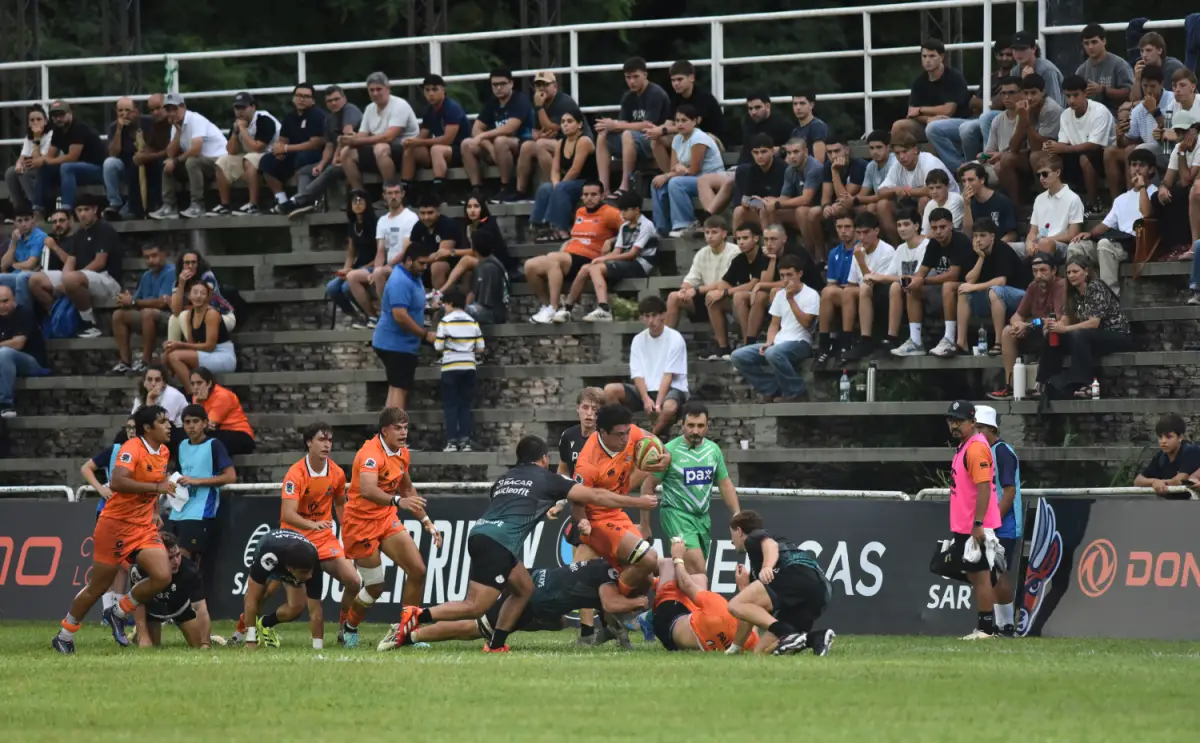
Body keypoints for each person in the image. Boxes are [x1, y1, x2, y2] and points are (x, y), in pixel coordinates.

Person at [382, 434, 658, 653]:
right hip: (500, 543)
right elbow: (596, 496)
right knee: (475, 607)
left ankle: (496, 644)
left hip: (481, 533)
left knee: (523, 588)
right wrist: (637, 501)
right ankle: (416, 616)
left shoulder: (503, 479)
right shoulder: (548, 478)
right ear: (543, 458)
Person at [53, 404, 174, 654]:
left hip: (142, 526)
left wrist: (155, 512)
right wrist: (156, 489)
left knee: (163, 575)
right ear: (148, 428)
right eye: (163, 422)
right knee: (98, 586)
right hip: (115, 525)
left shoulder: (163, 451)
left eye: (168, 421)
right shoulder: (132, 448)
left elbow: (157, 484)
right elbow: (118, 481)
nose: (169, 426)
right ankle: (65, 634)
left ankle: (118, 612)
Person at [338, 408, 441, 647]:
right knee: (375, 587)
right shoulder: (370, 453)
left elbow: (406, 489)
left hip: (385, 518)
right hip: (360, 523)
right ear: (384, 431)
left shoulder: (402, 453)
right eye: (398, 428)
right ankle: (350, 625)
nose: (403, 432)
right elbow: (367, 489)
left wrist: (426, 521)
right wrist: (397, 501)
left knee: (418, 570)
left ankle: (405, 633)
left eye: (406, 427)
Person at [401, 559, 646, 650]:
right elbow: (611, 604)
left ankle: (415, 623)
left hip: (534, 578)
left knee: (557, 623)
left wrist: (622, 639)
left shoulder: (605, 565)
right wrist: (642, 601)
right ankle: (409, 634)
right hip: (533, 598)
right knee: (475, 627)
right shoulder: (609, 579)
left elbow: (610, 610)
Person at [572, 404, 671, 601]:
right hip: (597, 521)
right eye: (620, 435)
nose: (626, 439)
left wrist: (665, 456)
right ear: (602, 432)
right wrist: (582, 521)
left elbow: (653, 440)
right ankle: (615, 606)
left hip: (616, 514)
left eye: (627, 433)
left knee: (646, 575)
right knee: (650, 559)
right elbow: (577, 502)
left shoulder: (629, 432)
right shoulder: (588, 463)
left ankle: (615, 619)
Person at [279, 422, 363, 645]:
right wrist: (311, 525)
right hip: (294, 539)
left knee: (354, 581)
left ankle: (345, 629)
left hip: (324, 539)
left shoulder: (336, 473)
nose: (327, 445)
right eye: (321, 440)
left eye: (330, 440)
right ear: (309, 442)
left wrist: (348, 533)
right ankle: (243, 629)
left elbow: (339, 505)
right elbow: (288, 514)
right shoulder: (295, 473)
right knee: (274, 593)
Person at [644, 401, 740, 575]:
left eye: (701, 426)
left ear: (707, 425)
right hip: (676, 514)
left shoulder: (713, 450)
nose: (696, 431)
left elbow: (725, 484)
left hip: (702, 518)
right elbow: (648, 486)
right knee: (698, 571)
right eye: (691, 425)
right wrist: (645, 525)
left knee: (689, 573)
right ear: (682, 424)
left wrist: (736, 513)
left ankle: (659, 573)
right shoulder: (668, 451)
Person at [726, 510, 834, 656]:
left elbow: (770, 545)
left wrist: (767, 567)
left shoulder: (753, 537)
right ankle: (814, 638)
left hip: (796, 574)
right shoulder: (756, 568)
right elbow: (748, 613)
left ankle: (787, 634)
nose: (732, 541)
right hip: (821, 589)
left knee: (733, 605)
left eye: (731, 534)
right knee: (761, 652)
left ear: (739, 531)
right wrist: (734, 649)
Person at [941, 400, 1002, 640]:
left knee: (980, 575)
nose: (954, 426)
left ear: (973, 422)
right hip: (964, 523)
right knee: (972, 572)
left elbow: (984, 487)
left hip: (974, 524)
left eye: (959, 421)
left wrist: (978, 524)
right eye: (951, 421)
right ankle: (987, 626)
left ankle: (986, 629)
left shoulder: (976, 448)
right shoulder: (965, 446)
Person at [525, 180, 622, 324]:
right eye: (586, 195)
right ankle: (546, 306)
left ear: (602, 196)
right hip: (570, 255)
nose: (589, 198)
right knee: (530, 266)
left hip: (589, 257)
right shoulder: (580, 212)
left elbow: (630, 228)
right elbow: (578, 235)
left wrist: (611, 241)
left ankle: (554, 307)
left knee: (553, 258)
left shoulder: (610, 213)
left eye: (594, 195)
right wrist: (568, 242)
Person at [1038, 255, 1133, 398]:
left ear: (1086, 271)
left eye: (1075, 272)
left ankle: (1084, 383)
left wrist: (1065, 329)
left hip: (1116, 334)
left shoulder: (1096, 287)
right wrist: (1055, 327)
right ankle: (1045, 382)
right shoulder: (1072, 293)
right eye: (1068, 273)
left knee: (1079, 334)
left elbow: (1094, 323)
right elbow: (1066, 318)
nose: (1071, 276)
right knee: (1052, 336)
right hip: (1089, 337)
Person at [731, 255, 820, 399]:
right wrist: (769, 342)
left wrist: (791, 300)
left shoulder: (811, 294)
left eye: (789, 275)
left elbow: (807, 323)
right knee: (738, 356)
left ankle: (797, 392)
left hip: (801, 342)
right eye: (782, 276)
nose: (786, 280)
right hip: (779, 342)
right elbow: (774, 324)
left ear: (799, 274)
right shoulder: (780, 295)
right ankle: (771, 389)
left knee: (772, 353)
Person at [1069, 149, 1156, 293]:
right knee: (1076, 246)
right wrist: (1089, 234)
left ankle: (1109, 300)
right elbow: (1106, 224)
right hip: (1115, 243)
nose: (1137, 169)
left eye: (1142, 165)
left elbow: (1146, 214)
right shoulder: (1121, 199)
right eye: (1133, 165)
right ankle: (1083, 296)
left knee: (1104, 245)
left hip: (1134, 245)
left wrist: (1141, 187)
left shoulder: (1155, 192)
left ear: (1151, 169)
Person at [653, 538, 759, 653]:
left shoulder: (718, 606)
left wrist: (678, 558)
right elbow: (751, 622)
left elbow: (686, 585)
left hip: (667, 623)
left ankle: (646, 610)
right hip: (686, 632)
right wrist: (744, 589)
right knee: (699, 579)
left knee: (668, 564)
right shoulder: (748, 640)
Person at [567, 190, 658, 322]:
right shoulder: (624, 227)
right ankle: (567, 308)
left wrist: (603, 258)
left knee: (595, 268)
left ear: (637, 210)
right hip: (627, 262)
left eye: (625, 210)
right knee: (586, 268)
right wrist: (602, 258)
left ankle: (604, 308)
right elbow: (617, 251)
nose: (622, 214)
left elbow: (633, 254)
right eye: (621, 210)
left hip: (641, 264)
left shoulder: (646, 225)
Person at [893, 208, 973, 358]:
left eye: (942, 227)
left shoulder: (960, 241)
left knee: (947, 285)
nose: (938, 232)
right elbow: (922, 272)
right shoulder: (933, 244)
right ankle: (915, 342)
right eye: (934, 228)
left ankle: (949, 338)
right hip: (942, 290)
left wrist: (922, 280)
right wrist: (915, 281)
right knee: (912, 288)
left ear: (950, 225)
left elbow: (953, 275)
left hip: (967, 289)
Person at [605, 296, 688, 437]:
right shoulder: (638, 340)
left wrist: (657, 403)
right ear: (642, 318)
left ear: (663, 315)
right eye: (647, 316)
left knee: (669, 407)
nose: (651, 321)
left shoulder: (675, 338)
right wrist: (645, 399)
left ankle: (649, 437)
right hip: (645, 390)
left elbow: (668, 375)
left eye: (654, 315)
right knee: (610, 390)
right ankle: (625, 431)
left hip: (671, 389)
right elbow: (637, 374)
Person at [987, 253, 1066, 400]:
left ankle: (1042, 384)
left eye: (1043, 270)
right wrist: (1018, 325)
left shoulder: (1061, 285)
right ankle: (1010, 386)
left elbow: (1056, 318)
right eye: (1035, 271)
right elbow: (1016, 316)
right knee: (1007, 332)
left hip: (1057, 332)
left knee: (1048, 329)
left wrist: (1028, 325)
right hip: (1036, 329)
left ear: (1054, 270)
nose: (1039, 275)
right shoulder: (1032, 287)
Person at [971, 405, 1021, 637]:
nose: (976, 432)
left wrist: (991, 522)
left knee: (997, 573)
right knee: (990, 573)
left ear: (992, 428)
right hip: (993, 522)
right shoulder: (984, 451)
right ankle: (1001, 625)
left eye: (980, 428)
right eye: (975, 427)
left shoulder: (1001, 452)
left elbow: (1009, 491)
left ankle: (1007, 625)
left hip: (1004, 524)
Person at [949, 219, 1029, 356]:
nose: (978, 240)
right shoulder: (975, 251)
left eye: (982, 235)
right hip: (993, 297)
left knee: (994, 291)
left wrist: (974, 288)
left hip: (1019, 296)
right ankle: (961, 342)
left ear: (992, 237)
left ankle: (998, 342)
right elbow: (969, 280)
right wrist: (981, 258)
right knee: (963, 290)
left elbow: (1001, 281)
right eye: (975, 236)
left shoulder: (1002, 249)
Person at [167, 404, 236, 562]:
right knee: (169, 556)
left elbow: (231, 476)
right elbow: (180, 473)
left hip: (200, 512)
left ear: (205, 423)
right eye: (187, 422)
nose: (191, 426)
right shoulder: (182, 446)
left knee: (185, 558)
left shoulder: (214, 445)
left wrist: (197, 481)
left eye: (195, 421)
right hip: (178, 510)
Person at [596, 57, 672, 198]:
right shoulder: (628, 97)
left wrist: (617, 125)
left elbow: (648, 125)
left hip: (655, 141)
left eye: (635, 76)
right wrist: (609, 125)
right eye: (628, 77)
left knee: (627, 134)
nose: (631, 81)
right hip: (632, 142)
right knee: (603, 136)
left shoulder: (655, 93)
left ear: (645, 74)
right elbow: (623, 123)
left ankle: (625, 185)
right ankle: (603, 189)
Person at [372, 246, 436, 410]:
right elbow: (400, 315)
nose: (425, 268)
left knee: (395, 388)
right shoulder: (400, 281)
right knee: (400, 390)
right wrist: (425, 335)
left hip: (400, 343)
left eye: (426, 264)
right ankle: (395, 432)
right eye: (421, 263)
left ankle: (388, 432)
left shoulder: (414, 276)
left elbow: (411, 305)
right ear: (408, 261)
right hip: (396, 344)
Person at [129, 532, 215, 649]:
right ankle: (138, 633)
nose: (176, 561)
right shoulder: (140, 569)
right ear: (157, 557)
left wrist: (205, 643)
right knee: (150, 648)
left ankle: (210, 639)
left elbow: (200, 607)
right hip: (152, 610)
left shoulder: (190, 570)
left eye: (178, 555)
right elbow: (138, 603)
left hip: (180, 607)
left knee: (198, 646)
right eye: (170, 557)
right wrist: (143, 636)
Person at [239, 529, 321, 650]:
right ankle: (250, 630)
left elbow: (316, 611)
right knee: (261, 594)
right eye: (304, 572)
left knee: (296, 608)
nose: (309, 576)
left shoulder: (312, 562)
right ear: (289, 569)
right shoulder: (268, 556)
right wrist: (251, 641)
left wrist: (318, 648)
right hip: (270, 547)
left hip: (292, 557)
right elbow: (252, 596)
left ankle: (265, 623)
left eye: (310, 571)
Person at [650, 104, 724, 237]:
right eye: (677, 120)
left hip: (709, 179)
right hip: (689, 177)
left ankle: (685, 224)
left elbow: (694, 171)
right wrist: (670, 174)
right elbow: (674, 168)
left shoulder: (699, 138)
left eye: (684, 120)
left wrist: (672, 174)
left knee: (676, 183)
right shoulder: (677, 139)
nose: (679, 124)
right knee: (657, 184)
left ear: (695, 121)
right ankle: (661, 228)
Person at [464, 69, 537, 202]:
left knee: (501, 141)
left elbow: (510, 128)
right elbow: (476, 129)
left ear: (511, 84)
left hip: (523, 143)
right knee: (467, 144)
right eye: (494, 84)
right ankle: (477, 189)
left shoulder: (520, 100)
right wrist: (489, 147)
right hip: (498, 148)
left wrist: (484, 136)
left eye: (502, 84)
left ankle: (506, 186)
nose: (498, 88)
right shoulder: (492, 103)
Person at [340, 71, 420, 192]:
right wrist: (350, 139)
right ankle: (358, 194)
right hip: (379, 151)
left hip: (405, 150)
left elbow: (389, 137)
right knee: (346, 152)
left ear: (388, 89)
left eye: (379, 89)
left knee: (380, 147)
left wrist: (359, 140)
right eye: (371, 90)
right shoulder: (369, 108)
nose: (375, 93)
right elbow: (362, 135)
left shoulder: (400, 105)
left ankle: (390, 190)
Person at [834, 212, 897, 361]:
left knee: (864, 288)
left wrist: (861, 262)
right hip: (865, 290)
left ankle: (866, 339)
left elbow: (875, 282)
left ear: (876, 231)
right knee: (840, 292)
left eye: (866, 232)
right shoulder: (859, 250)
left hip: (883, 291)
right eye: (859, 233)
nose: (862, 237)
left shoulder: (887, 251)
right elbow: (852, 283)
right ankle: (846, 341)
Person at [704, 221, 770, 360]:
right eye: (738, 239)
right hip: (745, 300)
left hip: (766, 299)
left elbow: (754, 284)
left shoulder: (764, 256)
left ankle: (747, 345)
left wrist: (725, 292)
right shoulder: (739, 259)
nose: (741, 242)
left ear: (756, 238)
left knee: (738, 296)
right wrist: (715, 291)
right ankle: (723, 348)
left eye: (745, 238)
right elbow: (724, 282)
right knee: (712, 299)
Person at [529, 109, 597, 243]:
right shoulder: (561, 143)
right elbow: (555, 169)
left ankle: (560, 229)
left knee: (561, 188)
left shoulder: (584, 141)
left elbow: (575, 170)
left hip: (586, 182)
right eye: (563, 122)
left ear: (579, 125)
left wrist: (560, 186)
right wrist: (555, 183)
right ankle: (538, 225)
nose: (565, 125)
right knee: (545, 188)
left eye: (570, 121)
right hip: (568, 183)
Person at [209, 92, 281, 217]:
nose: (240, 111)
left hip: (272, 155)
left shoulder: (264, 119)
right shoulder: (237, 123)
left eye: (243, 107)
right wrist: (236, 133)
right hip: (252, 156)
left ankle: (253, 204)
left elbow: (257, 148)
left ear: (253, 107)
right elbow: (231, 151)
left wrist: (243, 129)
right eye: (237, 108)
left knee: (250, 158)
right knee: (223, 161)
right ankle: (225, 205)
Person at [62, 195, 124, 339]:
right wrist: (65, 278)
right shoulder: (79, 234)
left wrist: (71, 278)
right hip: (86, 278)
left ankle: (90, 322)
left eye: (86, 209)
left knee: (71, 280)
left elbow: (99, 262)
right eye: (79, 210)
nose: (82, 214)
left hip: (108, 280)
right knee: (36, 280)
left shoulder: (104, 229)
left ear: (95, 209)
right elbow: (71, 260)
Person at [260, 83, 328, 213]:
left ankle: (301, 201)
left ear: (313, 100)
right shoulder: (289, 117)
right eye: (299, 95)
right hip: (292, 153)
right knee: (266, 161)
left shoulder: (317, 115)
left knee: (303, 158)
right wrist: (278, 150)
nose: (302, 99)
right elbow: (282, 141)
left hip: (314, 154)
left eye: (306, 96)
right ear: (293, 98)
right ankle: (281, 200)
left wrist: (285, 149)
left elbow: (315, 143)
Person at [402, 74, 470, 198]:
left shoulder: (452, 108)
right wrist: (411, 142)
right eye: (427, 90)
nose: (430, 94)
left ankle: (439, 187)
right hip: (439, 150)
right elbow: (422, 136)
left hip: (458, 149)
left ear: (443, 89)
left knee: (436, 149)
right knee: (411, 148)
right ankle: (406, 188)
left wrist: (419, 142)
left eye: (434, 89)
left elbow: (447, 139)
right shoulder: (429, 111)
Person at [111, 242, 175, 374]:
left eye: (154, 256)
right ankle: (125, 362)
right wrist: (125, 300)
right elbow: (136, 300)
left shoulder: (171, 272)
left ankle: (146, 362)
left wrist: (134, 302)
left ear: (164, 255)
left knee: (148, 313)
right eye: (147, 257)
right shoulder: (147, 276)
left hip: (170, 318)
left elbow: (162, 303)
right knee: (118, 315)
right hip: (148, 316)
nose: (151, 260)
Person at [665, 215, 736, 333]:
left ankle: (722, 346)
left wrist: (697, 290)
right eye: (707, 232)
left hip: (727, 297)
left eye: (714, 232)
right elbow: (692, 278)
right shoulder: (702, 253)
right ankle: (666, 342)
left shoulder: (734, 252)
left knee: (712, 295)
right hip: (706, 295)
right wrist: (684, 289)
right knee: (674, 296)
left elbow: (725, 283)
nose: (710, 236)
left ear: (724, 234)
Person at [357, 181, 418, 313]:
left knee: (379, 273)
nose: (393, 196)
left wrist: (385, 267)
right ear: (384, 196)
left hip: (404, 265)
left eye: (396, 193)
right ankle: (372, 316)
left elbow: (406, 250)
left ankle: (388, 313)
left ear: (402, 194)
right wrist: (377, 268)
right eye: (389, 193)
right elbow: (380, 251)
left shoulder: (410, 217)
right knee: (352, 276)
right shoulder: (382, 221)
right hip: (388, 266)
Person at [435, 287, 484, 452]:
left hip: (450, 367)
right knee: (465, 404)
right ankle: (465, 441)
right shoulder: (472, 321)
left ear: (449, 304)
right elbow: (481, 348)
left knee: (450, 404)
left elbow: (438, 345)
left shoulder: (445, 321)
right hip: (469, 366)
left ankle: (451, 441)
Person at [36, 100, 107, 214]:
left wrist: (46, 161)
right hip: (77, 170)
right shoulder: (58, 131)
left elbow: (72, 157)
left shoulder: (78, 128)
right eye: (54, 116)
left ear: (70, 113)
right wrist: (39, 162)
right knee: (45, 169)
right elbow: (50, 156)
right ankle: (38, 209)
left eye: (61, 115)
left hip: (97, 169)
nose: (58, 119)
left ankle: (67, 208)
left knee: (67, 167)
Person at [164, 280, 237, 389]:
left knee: (175, 356)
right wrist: (171, 345)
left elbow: (209, 346)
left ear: (208, 297)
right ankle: (172, 391)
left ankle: (193, 393)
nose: (198, 296)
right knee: (165, 356)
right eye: (195, 292)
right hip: (206, 353)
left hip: (222, 355)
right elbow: (191, 344)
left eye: (202, 293)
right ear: (189, 296)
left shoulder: (212, 314)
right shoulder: (189, 315)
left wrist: (180, 345)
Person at [327, 189, 380, 327]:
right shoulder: (353, 225)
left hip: (373, 264)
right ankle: (357, 316)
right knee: (332, 288)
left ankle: (372, 315)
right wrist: (345, 269)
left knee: (346, 288)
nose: (357, 204)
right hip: (357, 265)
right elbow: (351, 252)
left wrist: (360, 269)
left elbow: (381, 254)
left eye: (360, 201)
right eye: (354, 201)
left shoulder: (375, 224)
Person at [167, 250, 236, 343]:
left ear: (198, 264)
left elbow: (203, 305)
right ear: (181, 265)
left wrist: (183, 308)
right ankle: (171, 351)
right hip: (196, 317)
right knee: (174, 318)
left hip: (222, 316)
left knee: (184, 315)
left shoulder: (207, 276)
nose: (190, 266)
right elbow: (175, 311)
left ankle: (194, 350)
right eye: (187, 263)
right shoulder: (178, 282)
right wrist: (181, 285)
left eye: (193, 262)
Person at [0, 283, 47, 418]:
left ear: (13, 299)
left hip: (32, 362)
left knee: (4, 353)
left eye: (5, 301)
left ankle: (5, 405)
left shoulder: (24, 314)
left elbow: (18, 343)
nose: (2, 306)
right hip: (6, 363)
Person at [189, 367, 256, 455]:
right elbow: (198, 424)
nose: (196, 387)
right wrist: (198, 403)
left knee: (210, 443)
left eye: (199, 383)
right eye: (193, 384)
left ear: (209, 383)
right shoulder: (196, 397)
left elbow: (206, 425)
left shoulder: (222, 396)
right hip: (219, 433)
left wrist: (202, 424)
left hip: (240, 435)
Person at [1134, 414, 1200, 500]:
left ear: (1180, 437)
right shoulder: (1161, 457)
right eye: (1160, 437)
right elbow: (1138, 481)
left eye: (1169, 437)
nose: (1163, 441)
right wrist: (1154, 481)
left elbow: (1179, 481)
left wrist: (1161, 483)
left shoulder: (1190, 451)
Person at [4, 105, 52, 215]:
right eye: (32, 120)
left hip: (45, 168)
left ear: (45, 121)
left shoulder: (51, 135)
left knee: (24, 173)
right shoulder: (28, 137)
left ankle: (35, 206)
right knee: (10, 172)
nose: (35, 122)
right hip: (31, 167)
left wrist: (36, 137)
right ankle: (19, 207)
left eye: (39, 119)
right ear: (29, 123)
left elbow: (38, 160)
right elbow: (23, 155)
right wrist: (18, 164)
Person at [132, 363, 187, 449]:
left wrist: (150, 400)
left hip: (176, 432)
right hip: (155, 430)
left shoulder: (172, 395)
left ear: (164, 383)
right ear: (144, 382)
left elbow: (160, 423)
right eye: (149, 380)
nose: (153, 384)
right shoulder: (140, 395)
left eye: (157, 380)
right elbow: (134, 420)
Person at [558, 387, 605, 479]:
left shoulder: (607, 438)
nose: (589, 413)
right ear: (577, 408)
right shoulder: (568, 435)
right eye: (585, 407)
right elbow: (563, 469)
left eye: (595, 409)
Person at [466, 226, 510, 324]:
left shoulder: (490, 267)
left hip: (493, 313)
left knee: (452, 312)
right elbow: (473, 293)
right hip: (486, 310)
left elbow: (484, 306)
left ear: (474, 247)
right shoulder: (481, 265)